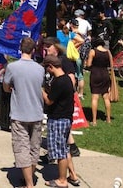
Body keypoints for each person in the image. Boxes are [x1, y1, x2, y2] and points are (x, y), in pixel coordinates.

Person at [2, 37, 45, 188]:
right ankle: (29, 178)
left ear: (20, 49)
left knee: (22, 148)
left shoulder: (13, 67)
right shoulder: (40, 69)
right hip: (36, 112)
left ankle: (29, 184)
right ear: (33, 50)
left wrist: (12, 88)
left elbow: (6, 86)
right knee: (34, 147)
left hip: (19, 113)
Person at [42, 55, 75, 188]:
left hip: (58, 119)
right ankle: (68, 176)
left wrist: (41, 91)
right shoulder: (67, 79)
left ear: (51, 66)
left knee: (60, 152)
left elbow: (49, 100)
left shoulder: (59, 81)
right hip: (66, 118)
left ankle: (62, 180)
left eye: (47, 68)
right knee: (63, 149)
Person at [86, 37, 113, 125]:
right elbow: (111, 64)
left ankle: (94, 121)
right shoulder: (108, 52)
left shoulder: (93, 51)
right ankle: (108, 119)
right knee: (106, 97)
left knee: (95, 98)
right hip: (105, 74)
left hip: (95, 74)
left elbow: (88, 64)